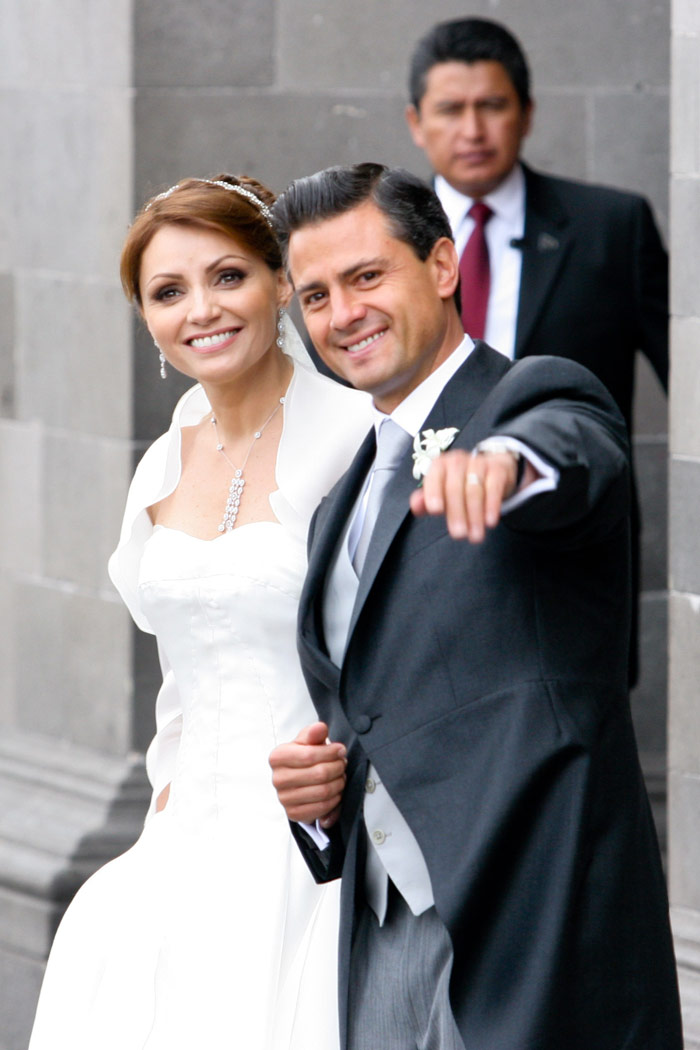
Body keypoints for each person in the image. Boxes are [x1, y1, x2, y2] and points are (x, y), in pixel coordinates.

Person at [269, 163, 682, 1050]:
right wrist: (322, 796)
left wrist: (504, 469)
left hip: (539, 921)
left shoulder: (530, 397)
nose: (343, 314)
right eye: (315, 295)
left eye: (367, 276)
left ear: (445, 267)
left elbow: (570, 452)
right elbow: (379, 705)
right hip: (381, 929)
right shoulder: (337, 504)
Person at [28, 174, 373, 1050]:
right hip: (182, 840)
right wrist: (169, 788)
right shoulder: (162, 463)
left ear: (281, 281)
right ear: (146, 317)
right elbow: (183, 668)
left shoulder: (355, 438)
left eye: (229, 276)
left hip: (316, 842)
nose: (202, 311)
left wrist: (346, 776)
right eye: (168, 292)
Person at [404, 16, 668, 685]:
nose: (472, 130)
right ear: (416, 122)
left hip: (567, 556)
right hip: (419, 556)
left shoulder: (612, 228)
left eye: (492, 106)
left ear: (526, 114)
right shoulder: (381, 248)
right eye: (451, 110)